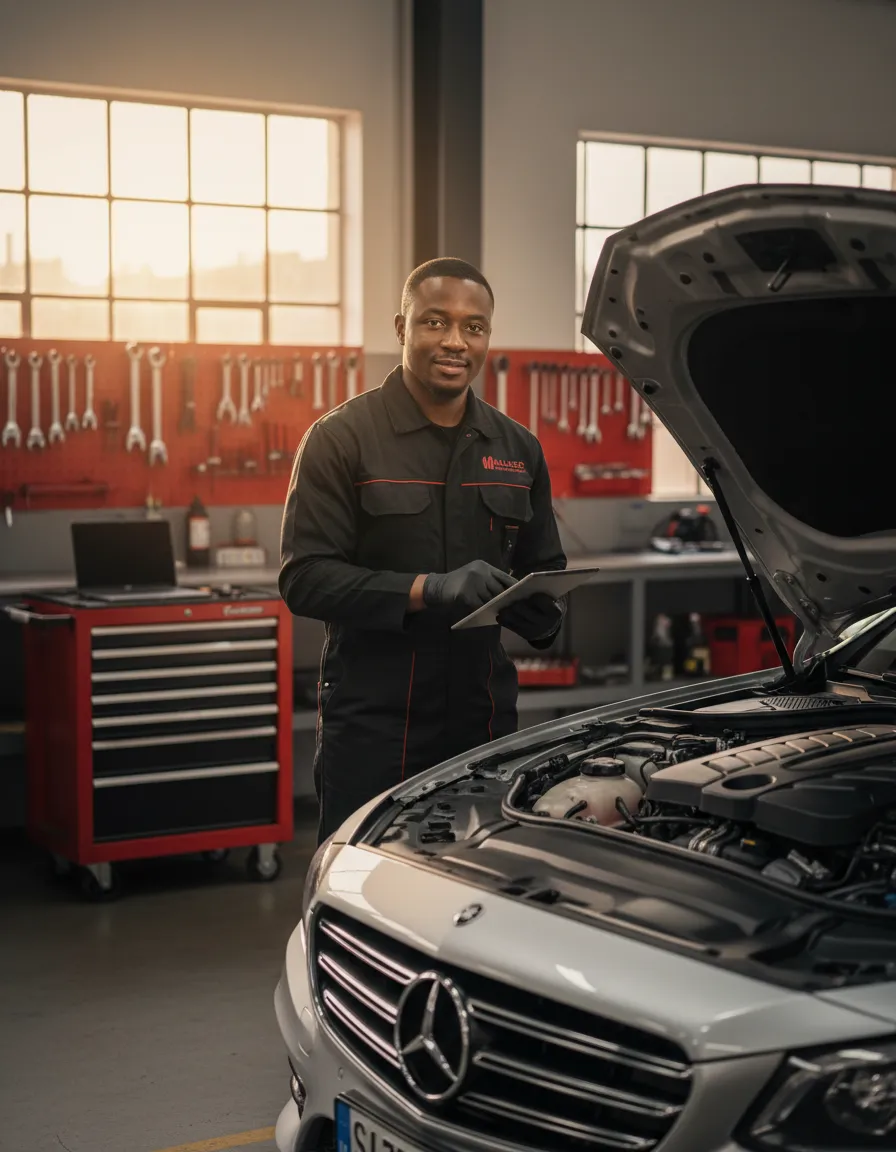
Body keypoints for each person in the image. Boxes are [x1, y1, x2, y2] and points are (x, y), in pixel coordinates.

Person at [279, 257, 567, 842]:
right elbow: (304, 578)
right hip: (373, 723)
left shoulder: (517, 448)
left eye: (474, 327)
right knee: (363, 878)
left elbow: (545, 567)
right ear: (401, 327)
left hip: (482, 718)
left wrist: (542, 612)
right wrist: (425, 589)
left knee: (477, 878)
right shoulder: (341, 439)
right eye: (435, 322)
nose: (456, 341)